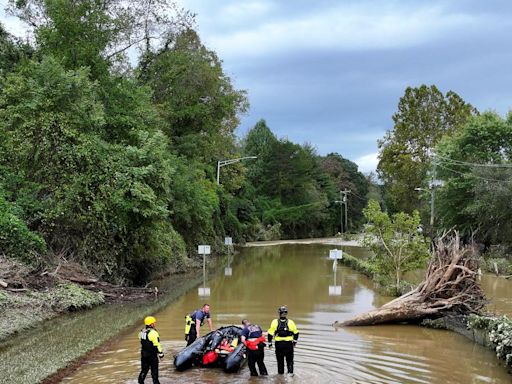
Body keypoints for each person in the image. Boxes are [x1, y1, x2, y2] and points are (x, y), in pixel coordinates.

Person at [267, 306, 299, 375]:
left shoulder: (274, 322)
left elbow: (270, 334)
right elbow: (296, 333)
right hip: (288, 345)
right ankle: (290, 376)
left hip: (279, 345)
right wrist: (294, 342)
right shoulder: (291, 322)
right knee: (290, 361)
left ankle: (280, 377)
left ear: (279, 313)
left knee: (280, 362)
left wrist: (270, 344)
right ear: (286, 313)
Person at [138, 316, 164, 384]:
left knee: (144, 370)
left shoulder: (141, 332)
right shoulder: (153, 333)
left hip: (143, 354)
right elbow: (157, 344)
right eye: (153, 323)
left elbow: (141, 340)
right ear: (151, 324)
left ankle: (140, 382)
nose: (154, 324)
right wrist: (161, 354)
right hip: (152, 355)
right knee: (154, 372)